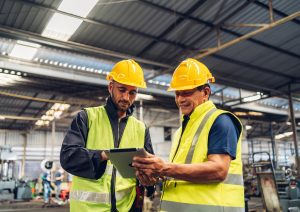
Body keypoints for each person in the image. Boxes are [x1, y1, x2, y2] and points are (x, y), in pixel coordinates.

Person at [133, 58, 244, 211]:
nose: (180, 100)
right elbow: (179, 175)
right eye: (177, 94)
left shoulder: (221, 121)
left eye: (186, 93)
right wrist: (153, 177)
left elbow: (219, 170)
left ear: (205, 92)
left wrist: (164, 168)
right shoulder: (181, 132)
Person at [60, 59, 154, 212]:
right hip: (89, 208)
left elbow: (148, 169)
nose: (126, 97)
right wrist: (103, 155)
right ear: (111, 87)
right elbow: (68, 157)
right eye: (122, 90)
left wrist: (151, 180)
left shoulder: (141, 128)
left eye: (132, 92)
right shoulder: (87, 117)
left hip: (127, 207)